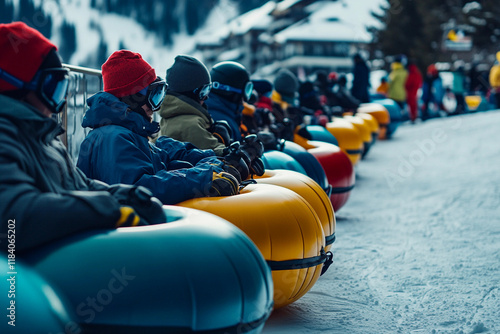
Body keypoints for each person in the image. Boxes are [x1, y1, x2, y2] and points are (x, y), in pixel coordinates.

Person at [0, 22, 165, 253]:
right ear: (15, 88)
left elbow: (79, 185)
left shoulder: (43, 140)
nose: (61, 103)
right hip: (21, 281)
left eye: (63, 89)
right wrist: (108, 208)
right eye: (53, 89)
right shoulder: (5, 139)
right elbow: (13, 220)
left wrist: (126, 195)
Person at [77, 50, 241, 205]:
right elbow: (139, 189)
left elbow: (170, 164)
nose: (154, 107)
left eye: (159, 95)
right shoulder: (112, 138)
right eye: (153, 95)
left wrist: (215, 164)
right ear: (132, 97)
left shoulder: (132, 135)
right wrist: (202, 179)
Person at [158, 55, 230, 156]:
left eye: (208, 90)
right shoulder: (190, 125)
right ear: (190, 93)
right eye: (204, 92)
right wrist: (224, 144)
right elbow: (218, 155)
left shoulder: (167, 118)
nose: (206, 97)